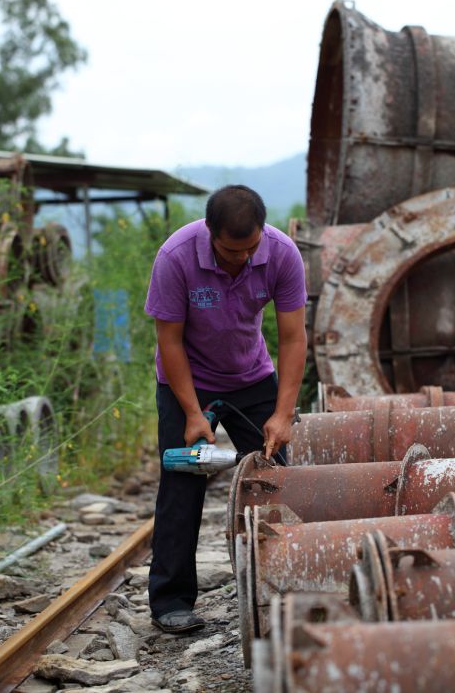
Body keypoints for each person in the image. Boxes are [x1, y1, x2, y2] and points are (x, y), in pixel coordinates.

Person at [144, 184, 307, 634]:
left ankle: (282, 590)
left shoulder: (281, 253)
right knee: (182, 486)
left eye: (250, 248)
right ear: (209, 232)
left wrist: (283, 413)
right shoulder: (175, 256)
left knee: (273, 480)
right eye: (231, 251)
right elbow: (169, 342)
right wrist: (194, 414)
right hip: (187, 381)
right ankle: (171, 601)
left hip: (252, 378)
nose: (242, 258)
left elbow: (294, 338)